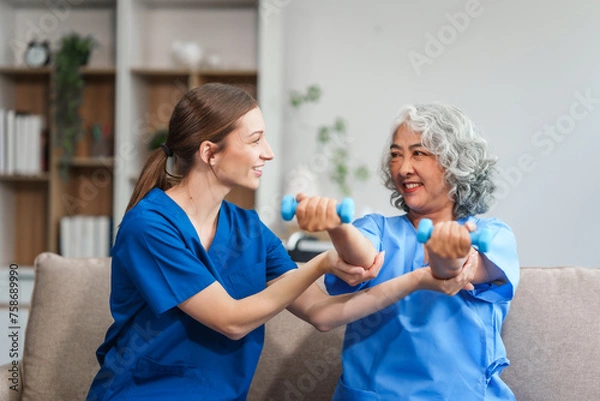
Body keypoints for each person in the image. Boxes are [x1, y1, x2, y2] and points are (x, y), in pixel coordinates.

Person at [86, 85, 478, 401]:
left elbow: (322, 314)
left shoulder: (247, 229)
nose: (268, 153)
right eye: (255, 140)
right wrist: (320, 264)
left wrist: (419, 279)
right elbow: (231, 320)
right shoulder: (150, 226)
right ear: (210, 153)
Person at [294, 103, 520, 400]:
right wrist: (336, 226)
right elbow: (362, 259)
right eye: (396, 154)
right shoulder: (378, 228)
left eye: (419, 153)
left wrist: (448, 252)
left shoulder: (491, 234)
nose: (403, 168)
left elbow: (456, 271)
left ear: (454, 162)